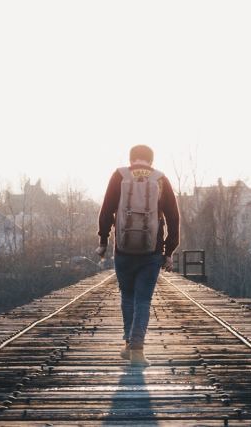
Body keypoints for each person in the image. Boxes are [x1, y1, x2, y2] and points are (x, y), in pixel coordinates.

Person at [96, 144, 180, 367]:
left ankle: (128, 344)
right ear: (150, 161)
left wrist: (103, 241)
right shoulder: (160, 179)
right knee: (143, 300)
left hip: (123, 250)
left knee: (127, 296)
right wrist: (169, 251)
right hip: (152, 251)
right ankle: (137, 350)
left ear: (131, 159)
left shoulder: (119, 175)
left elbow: (106, 211)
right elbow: (173, 218)